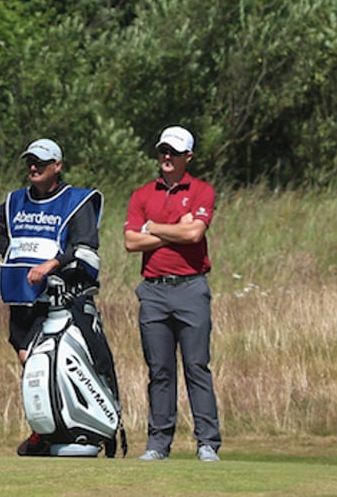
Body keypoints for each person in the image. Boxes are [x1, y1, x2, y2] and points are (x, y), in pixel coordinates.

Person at [0, 138, 110, 456]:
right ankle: (44, 429)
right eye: (30, 161)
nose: (34, 167)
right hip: (22, 296)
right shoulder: (15, 202)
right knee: (30, 366)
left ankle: (67, 428)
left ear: (57, 166)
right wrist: (14, 257)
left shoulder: (77, 201)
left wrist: (51, 264)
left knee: (57, 365)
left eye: (41, 162)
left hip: (62, 299)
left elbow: (84, 245)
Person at [123, 125, 222, 462]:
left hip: (191, 288)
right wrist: (174, 230)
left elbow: (195, 233)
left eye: (174, 153)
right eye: (163, 151)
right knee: (160, 370)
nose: (167, 157)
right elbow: (131, 242)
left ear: (188, 157)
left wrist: (153, 228)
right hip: (153, 290)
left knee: (197, 366)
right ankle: (158, 444)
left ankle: (207, 442)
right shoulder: (142, 194)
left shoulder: (201, 191)